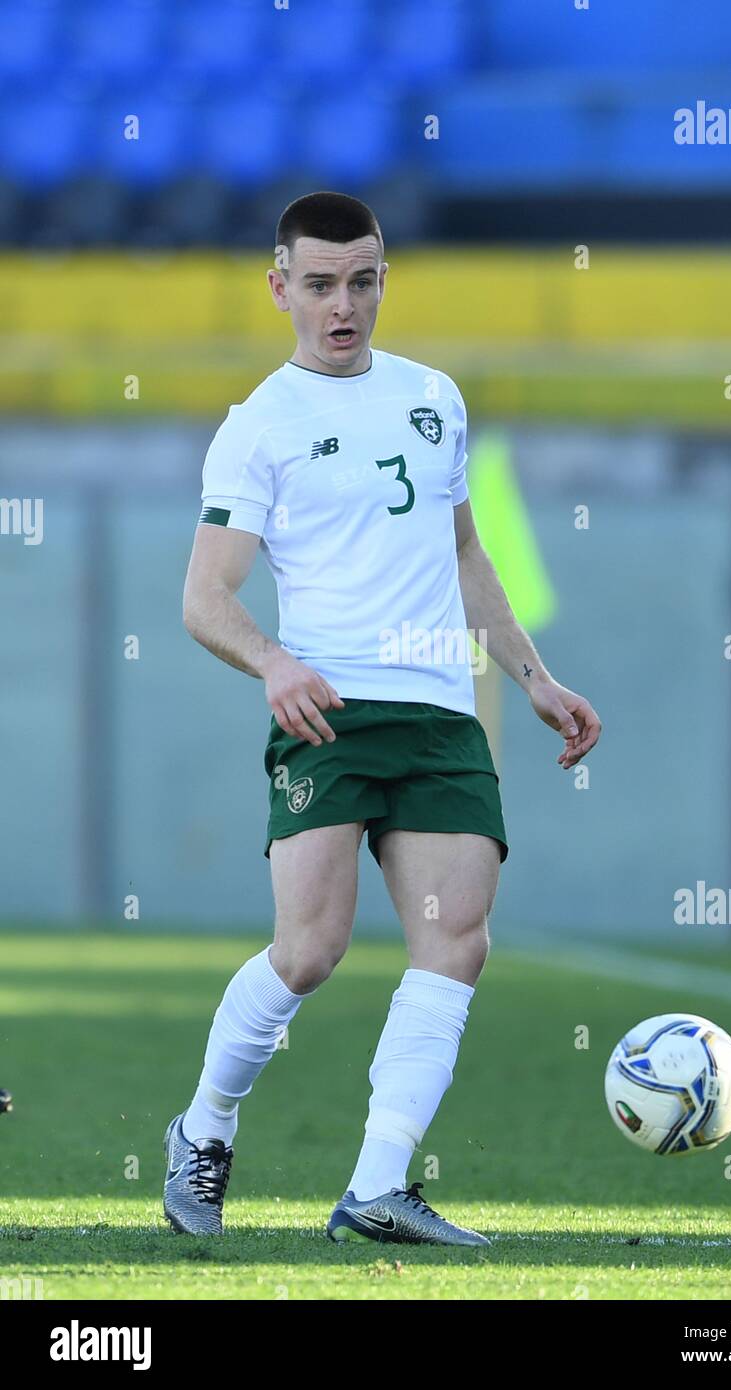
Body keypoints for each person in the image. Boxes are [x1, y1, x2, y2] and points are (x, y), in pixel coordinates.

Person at [163, 191, 601, 1245]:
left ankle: (374, 1186)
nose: (341, 303)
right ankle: (205, 1125)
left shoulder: (433, 398)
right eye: (318, 283)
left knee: (454, 943)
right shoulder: (258, 427)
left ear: (382, 279)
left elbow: (462, 553)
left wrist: (533, 675)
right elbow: (203, 599)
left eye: (361, 279)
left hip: (440, 711)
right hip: (331, 712)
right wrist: (272, 663)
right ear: (280, 288)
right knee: (309, 949)